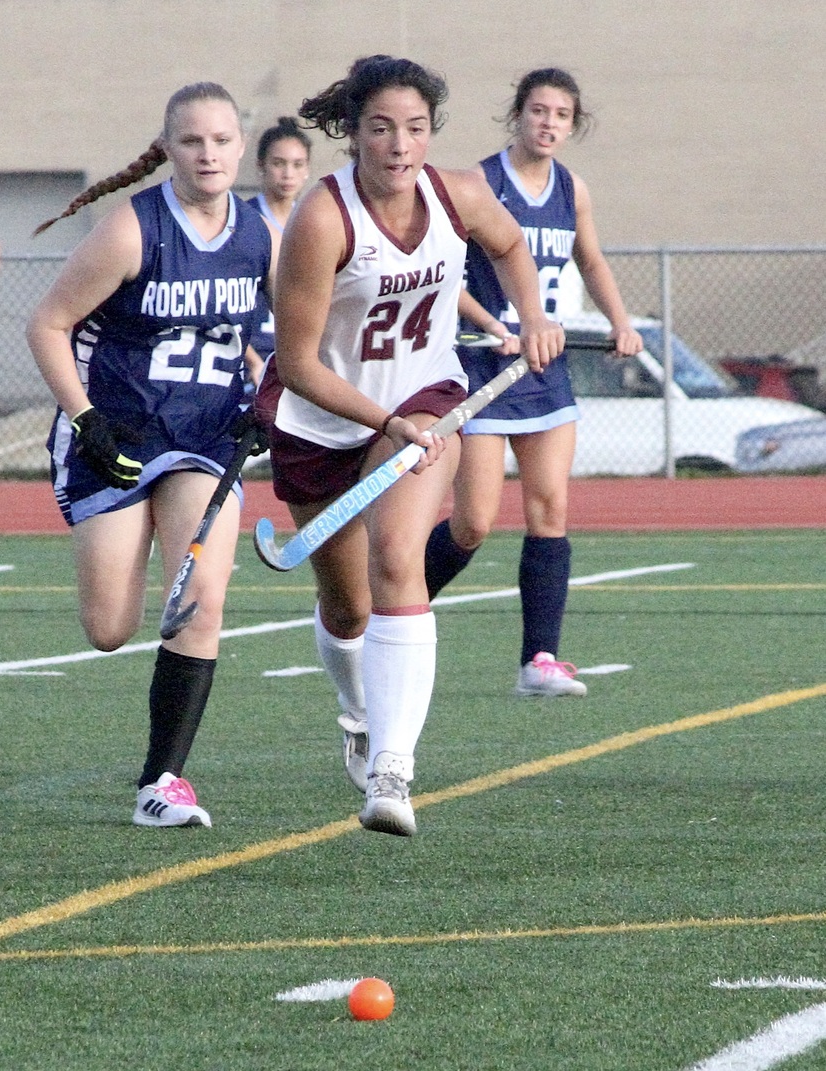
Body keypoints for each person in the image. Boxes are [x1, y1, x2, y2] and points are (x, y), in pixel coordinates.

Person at [268, 56, 564, 836]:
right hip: (324, 419)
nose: (400, 145)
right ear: (353, 132)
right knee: (345, 604)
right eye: (380, 128)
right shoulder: (321, 220)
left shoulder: (458, 192)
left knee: (399, 557)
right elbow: (296, 364)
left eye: (416, 128)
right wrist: (378, 418)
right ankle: (360, 713)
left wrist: (531, 312)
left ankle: (393, 771)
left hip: (426, 399)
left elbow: (509, 245)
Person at [27, 82, 276, 828]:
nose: (209, 154)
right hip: (120, 433)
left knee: (200, 599)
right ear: (167, 148)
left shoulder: (263, 233)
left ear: (240, 146)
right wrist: (86, 418)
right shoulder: (133, 230)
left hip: (204, 436)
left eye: (223, 140)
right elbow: (48, 325)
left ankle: (160, 781)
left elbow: (269, 341)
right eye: (193, 141)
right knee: (111, 627)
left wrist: (266, 400)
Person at [423, 68, 643, 697]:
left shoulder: (571, 189)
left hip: (545, 370)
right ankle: (399, 606)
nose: (549, 123)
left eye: (562, 115)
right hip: (488, 368)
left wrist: (620, 324)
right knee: (473, 524)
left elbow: (590, 260)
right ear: (516, 115)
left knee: (550, 510)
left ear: (572, 125)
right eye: (539, 111)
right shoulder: (479, 184)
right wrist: (497, 324)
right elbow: (444, 272)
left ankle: (538, 660)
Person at [248, 116, 312, 425]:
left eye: (298, 164)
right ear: (261, 165)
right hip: (251, 353)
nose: (288, 174)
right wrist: (251, 360)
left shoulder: (316, 219)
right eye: (279, 163)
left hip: (300, 353)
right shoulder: (244, 219)